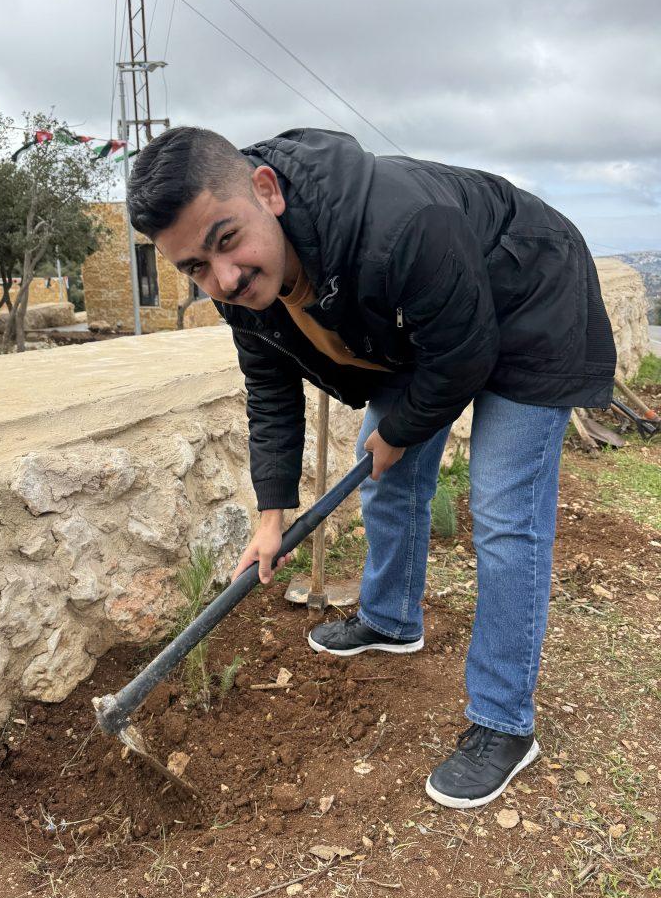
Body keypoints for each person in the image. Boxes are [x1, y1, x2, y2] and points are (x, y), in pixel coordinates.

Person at [127, 126, 616, 809]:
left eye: (227, 240)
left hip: (531, 298)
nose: (225, 277)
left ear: (266, 192)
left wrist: (400, 432)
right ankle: (391, 620)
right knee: (387, 481)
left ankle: (504, 723)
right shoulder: (240, 291)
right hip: (431, 324)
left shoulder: (400, 224)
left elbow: (466, 357)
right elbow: (270, 391)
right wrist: (272, 513)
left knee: (504, 514)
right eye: (196, 268)